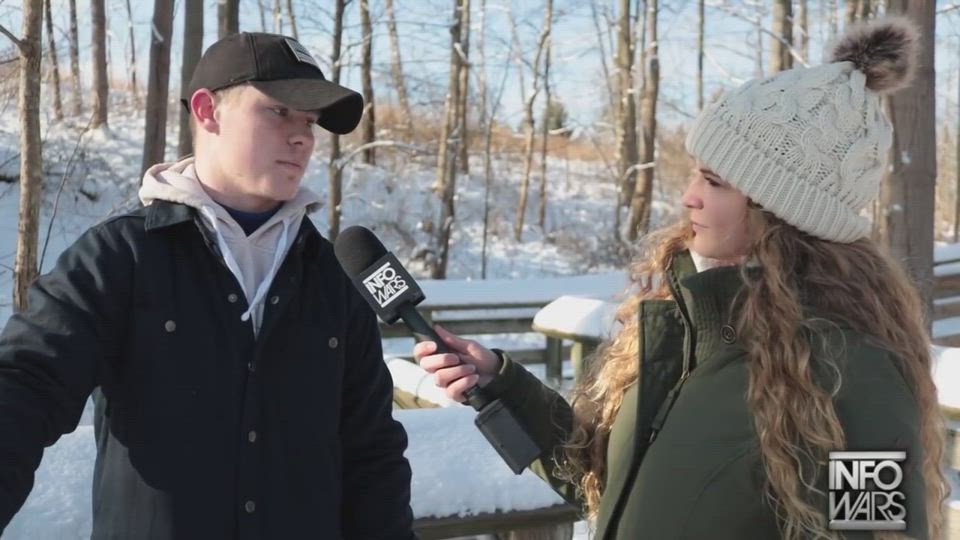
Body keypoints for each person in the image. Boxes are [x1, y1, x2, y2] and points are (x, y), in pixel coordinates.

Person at [416, 17, 948, 540]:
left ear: (782, 211)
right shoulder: (691, 327)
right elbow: (609, 485)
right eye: (695, 172)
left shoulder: (852, 372)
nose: (689, 196)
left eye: (714, 181)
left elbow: (879, 532)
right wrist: (501, 385)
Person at [0, 32, 414, 539]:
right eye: (279, 112)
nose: (303, 138)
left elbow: (372, 453)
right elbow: (25, 385)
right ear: (207, 111)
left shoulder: (335, 278)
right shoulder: (120, 257)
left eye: (308, 121)